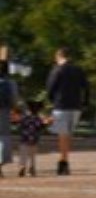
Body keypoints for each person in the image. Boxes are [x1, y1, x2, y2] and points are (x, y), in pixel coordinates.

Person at [45, 47, 88, 175]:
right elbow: (86, 87)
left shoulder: (57, 70)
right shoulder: (78, 70)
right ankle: (65, 160)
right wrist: (84, 103)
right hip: (76, 106)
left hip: (61, 106)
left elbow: (50, 88)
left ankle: (63, 162)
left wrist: (52, 100)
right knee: (69, 135)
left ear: (58, 56)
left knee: (62, 135)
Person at [15, 101, 45, 177]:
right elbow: (40, 127)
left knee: (23, 154)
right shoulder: (38, 118)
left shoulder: (24, 118)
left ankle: (23, 166)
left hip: (24, 139)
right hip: (34, 139)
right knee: (32, 155)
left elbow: (19, 127)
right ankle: (32, 167)